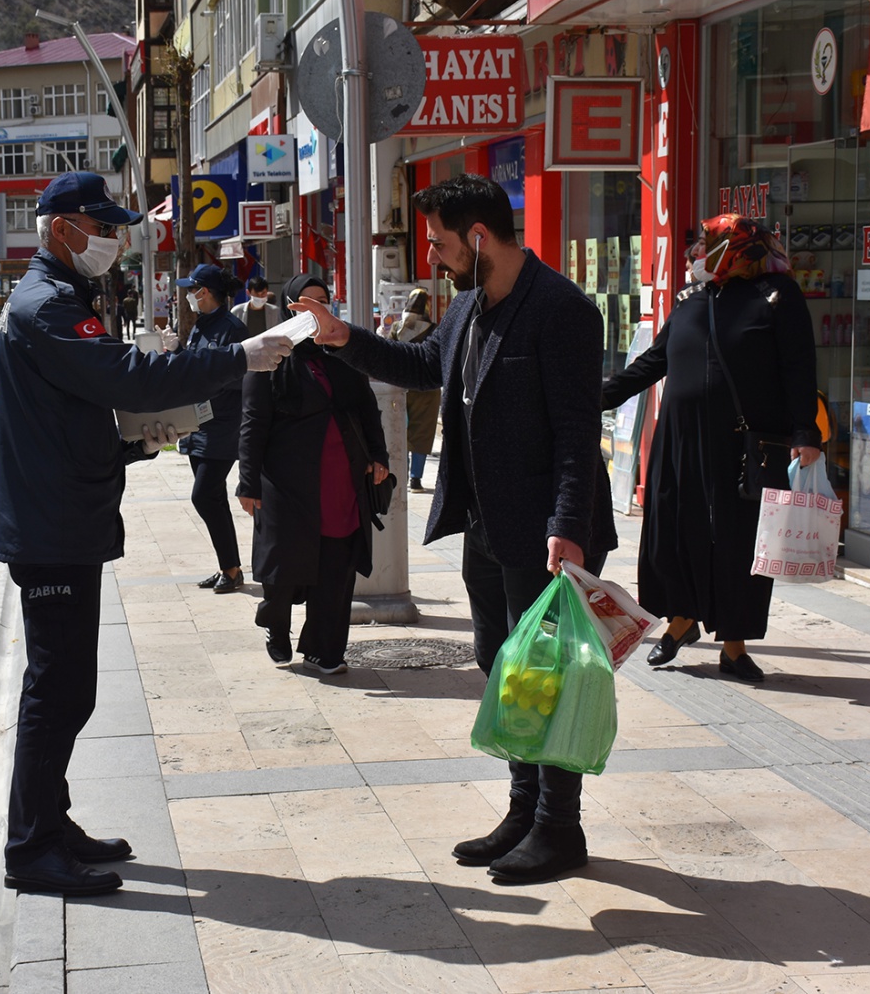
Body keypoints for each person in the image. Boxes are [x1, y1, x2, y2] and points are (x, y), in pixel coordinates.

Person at [299, 173, 617, 884]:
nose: (436, 258)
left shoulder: (562, 310)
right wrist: (345, 337)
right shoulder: (469, 305)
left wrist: (568, 525)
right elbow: (420, 364)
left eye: (441, 243)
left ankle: (559, 827)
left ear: (478, 235)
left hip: (543, 531)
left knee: (549, 679)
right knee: (504, 671)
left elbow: (575, 431)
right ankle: (523, 806)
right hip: (484, 524)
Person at [0, 171, 294, 898]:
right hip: (52, 523)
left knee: (70, 689)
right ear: (62, 228)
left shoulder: (59, 298)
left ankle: (50, 821)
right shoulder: (47, 307)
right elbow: (124, 375)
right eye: (103, 228)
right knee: (55, 690)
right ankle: (31, 847)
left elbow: (77, 410)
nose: (115, 240)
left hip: (65, 512)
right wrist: (238, 358)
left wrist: (132, 442)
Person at [601, 214, 821, 684]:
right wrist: (598, 397)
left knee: (740, 543)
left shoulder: (777, 298)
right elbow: (657, 360)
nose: (698, 252)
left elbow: (799, 368)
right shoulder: (689, 300)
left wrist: (805, 432)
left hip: (745, 445)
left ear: (737, 249)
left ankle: (734, 646)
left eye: (707, 243)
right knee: (671, 532)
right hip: (677, 439)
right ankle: (680, 621)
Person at [239, 275, 388, 672]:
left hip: (341, 479)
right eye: (306, 303)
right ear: (291, 307)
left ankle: (325, 649)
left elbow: (365, 407)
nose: (316, 311)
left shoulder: (344, 349)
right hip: (287, 482)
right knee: (283, 566)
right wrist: (248, 482)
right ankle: (276, 624)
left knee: (336, 566)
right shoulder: (269, 355)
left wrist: (378, 455)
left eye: (323, 302)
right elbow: (253, 423)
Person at [175, 263, 251, 594]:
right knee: (214, 498)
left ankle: (232, 568)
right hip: (197, 424)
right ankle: (229, 569)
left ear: (204, 292)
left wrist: (202, 382)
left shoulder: (232, 328)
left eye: (192, 290)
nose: (189, 296)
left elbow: (237, 376)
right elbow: (195, 367)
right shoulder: (201, 326)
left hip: (222, 425)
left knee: (204, 495)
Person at [377, 287, 440, 490]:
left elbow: (387, 354)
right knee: (421, 433)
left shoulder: (396, 327)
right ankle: (416, 478)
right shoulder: (433, 329)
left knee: (400, 431)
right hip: (427, 390)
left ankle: (401, 473)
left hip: (400, 387)